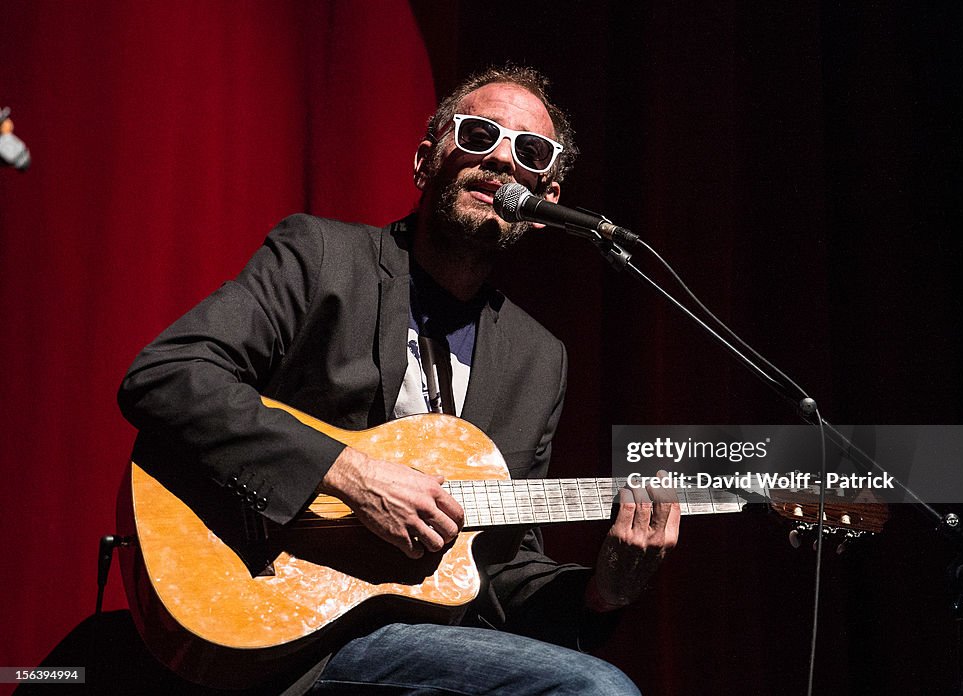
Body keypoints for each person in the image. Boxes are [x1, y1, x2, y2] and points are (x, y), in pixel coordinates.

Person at [119, 65, 679, 695]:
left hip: (406, 636)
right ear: (424, 162)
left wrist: (601, 594)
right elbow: (166, 374)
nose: (499, 158)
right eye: (475, 134)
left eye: (529, 150)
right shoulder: (321, 259)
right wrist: (346, 471)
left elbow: (499, 571)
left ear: (545, 206)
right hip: (268, 609)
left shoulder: (537, 360)